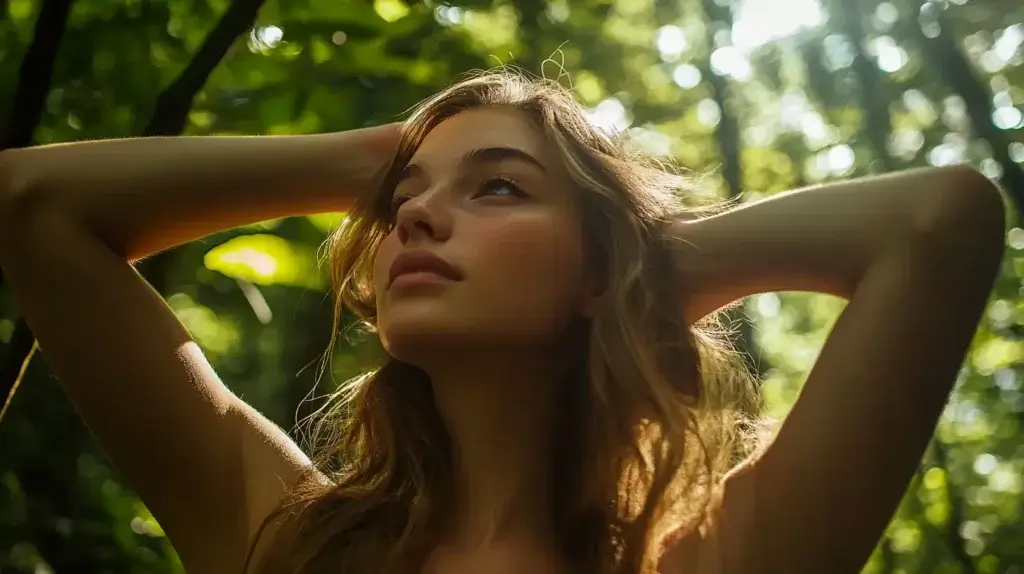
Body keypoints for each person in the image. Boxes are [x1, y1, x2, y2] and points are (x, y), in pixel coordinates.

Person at [0, 71, 1006, 574]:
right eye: (406, 199)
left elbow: (937, 220)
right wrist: (361, 161)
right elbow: (33, 208)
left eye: (499, 190)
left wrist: (631, 264)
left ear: (597, 269)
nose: (417, 215)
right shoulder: (293, 540)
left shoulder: (709, 559)